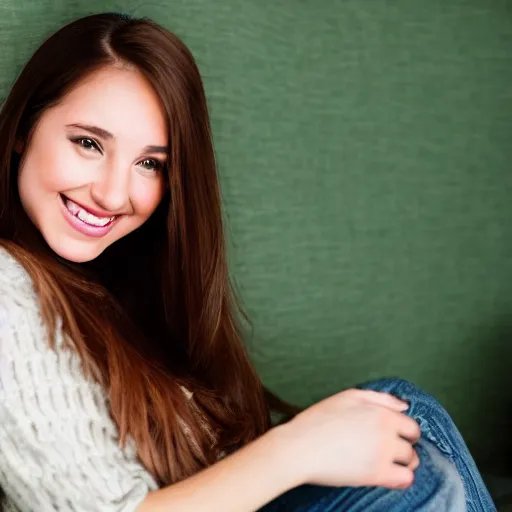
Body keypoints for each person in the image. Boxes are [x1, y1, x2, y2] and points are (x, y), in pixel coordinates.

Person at [0, 12, 496, 512]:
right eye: (88, 143)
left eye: (149, 164)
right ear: (24, 128)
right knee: (418, 477)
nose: (112, 194)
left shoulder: (115, 291)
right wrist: (299, 447)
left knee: (404, 412)